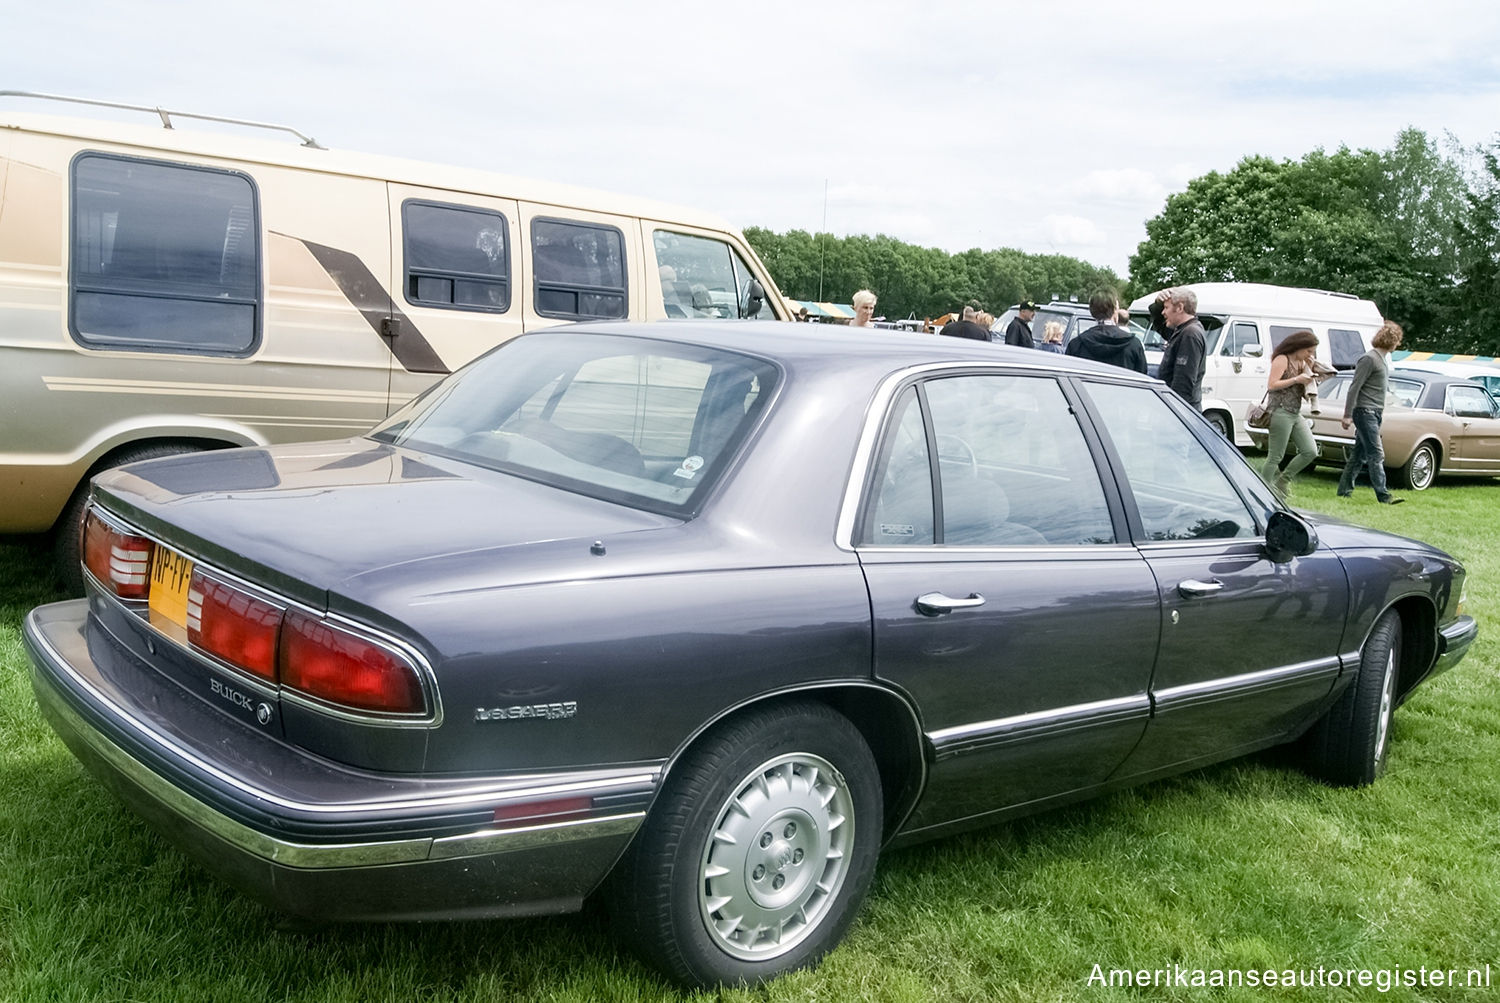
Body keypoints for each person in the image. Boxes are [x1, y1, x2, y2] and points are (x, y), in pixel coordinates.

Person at [1338, 320, 1406, 504]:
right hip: (1365, 412)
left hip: (1375, 412)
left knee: (1359, 454)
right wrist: (1347, 414)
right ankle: (1383, 495)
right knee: (1376, 454)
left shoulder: (1381, 360)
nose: (1398, 344)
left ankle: (1344, 490)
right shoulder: (1369, 359)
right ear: (1392, 341)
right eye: (1397, 340)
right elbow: (1354, 387)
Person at [1258, 330, 1320, 498]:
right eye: (1308, 350)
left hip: (1295, 412)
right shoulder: (1282, 359)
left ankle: (1283, 480)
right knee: (1276, 456)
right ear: (1299, 347)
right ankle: (1263, 491)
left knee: (1310, 451)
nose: (1310, 354)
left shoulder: (1302, 363)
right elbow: (1272, 385)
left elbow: (1305, 388)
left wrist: (1312, 373)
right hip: (1279, 411)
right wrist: (1296, 379)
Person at [1067, 290, 1147, 372]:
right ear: (1115, 310)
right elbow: (1143, 379)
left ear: (1092, 311)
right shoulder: (1134, 345)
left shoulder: (1076, 345)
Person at [1153, 288, 1206, 407]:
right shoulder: (1183, 330)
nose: (1163, 312)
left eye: (1166, 307)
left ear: (1180, 308)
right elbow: (1159, 325)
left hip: (1180, 409)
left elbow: (1183, 382)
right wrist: (1157, 303)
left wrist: (1173, 409)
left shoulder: (1190, 334)